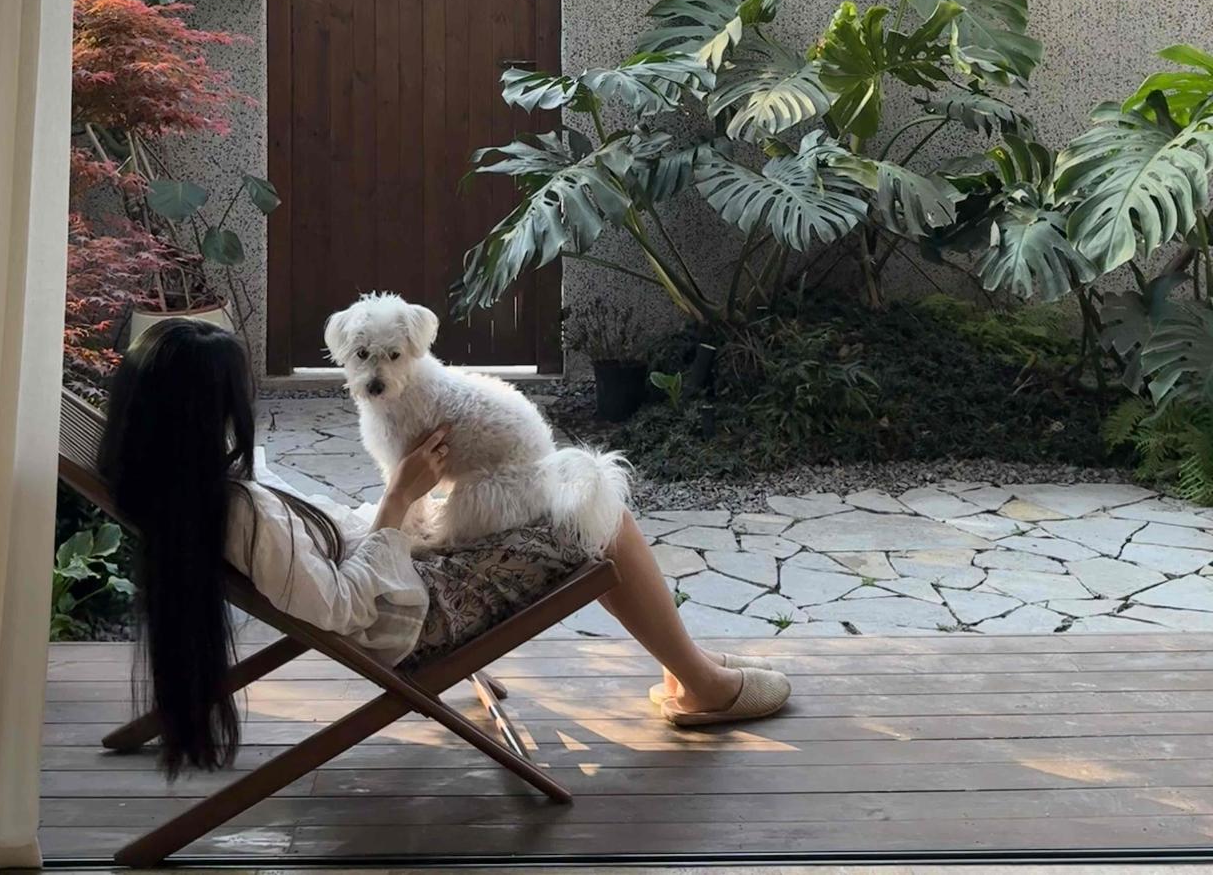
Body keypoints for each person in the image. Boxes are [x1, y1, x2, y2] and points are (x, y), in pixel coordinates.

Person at [98, 319, 791, 774]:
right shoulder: (236, 506)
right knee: (600, 514)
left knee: (579, 498)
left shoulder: (189, 480)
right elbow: (338, 607)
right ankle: (700, 683)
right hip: (409, 612)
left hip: (391, 571)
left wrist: (390, 511)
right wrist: (400, 499)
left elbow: (321, 554)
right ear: (204, 409)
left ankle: (688, 664)